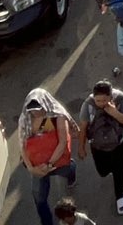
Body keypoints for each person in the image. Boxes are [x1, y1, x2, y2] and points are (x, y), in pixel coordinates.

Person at [77, 79, 123, 215]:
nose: (101, 104)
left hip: (120, 143)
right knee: (103, 171)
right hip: (98, 146)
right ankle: (110, 169)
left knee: (119, 169)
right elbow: (83, 127)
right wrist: (81, 146)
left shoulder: (121, 99)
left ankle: (120, 194)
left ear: (111, 96)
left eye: (104, 100)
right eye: (98, 101)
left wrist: (114, 112)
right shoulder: (88, 105)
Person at [21, 89, 80, 225]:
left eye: (38, 109)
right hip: (38, 166)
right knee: (39, 198)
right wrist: (31, 168)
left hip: (56, 161)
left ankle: (71, 174)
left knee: (68, 169)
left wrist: (49, 165)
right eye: (32, 110)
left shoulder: (57, 115)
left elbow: (63, 142)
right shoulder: (26, 119)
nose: (35, 113)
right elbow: (22, 145)